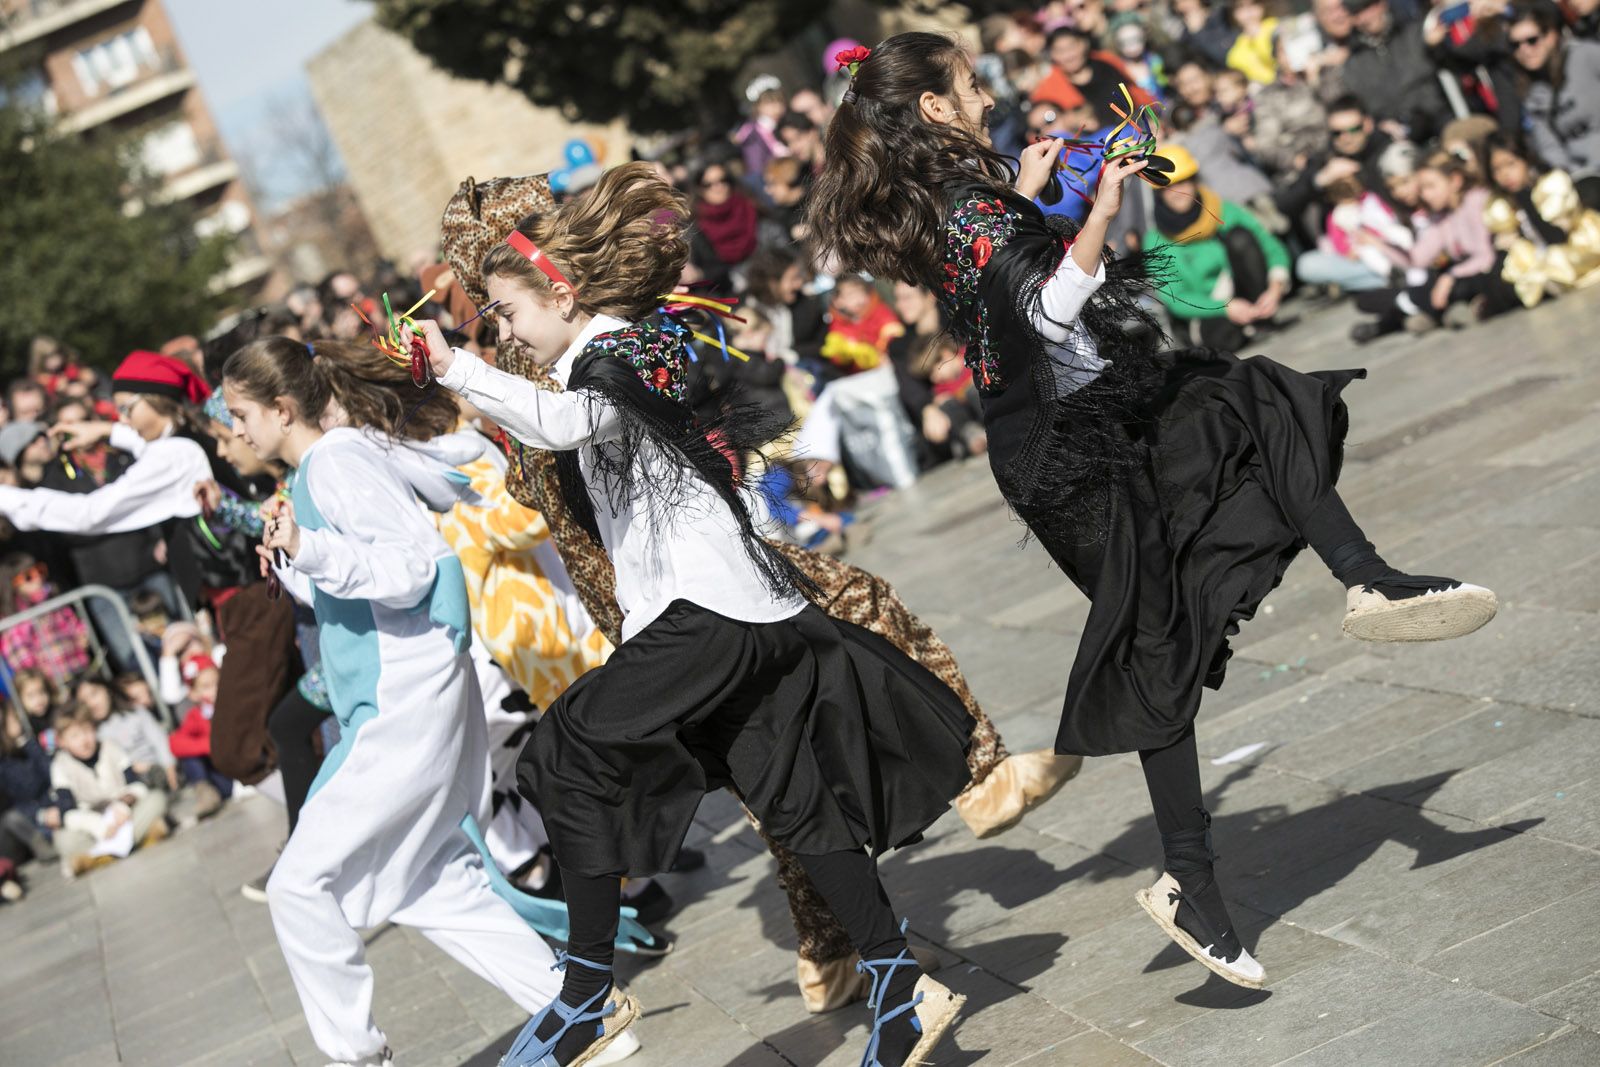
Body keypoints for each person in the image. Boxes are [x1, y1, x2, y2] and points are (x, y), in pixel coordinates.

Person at [808, 30, 1499, 992]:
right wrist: (1098, 204)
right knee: (1156, 643)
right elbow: (1047, 309)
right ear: (934, 108)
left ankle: (1369, 579)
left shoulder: (966, 194)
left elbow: (1014, 282)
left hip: (1094, 413)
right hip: (1065, 456)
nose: (984, 91)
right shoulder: (964, 203)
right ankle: (1189, 879)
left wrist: (1044, 195)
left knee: (1253, 396)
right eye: (970, 84)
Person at [418, 160, 974, 1067]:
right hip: (739, 614)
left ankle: (587, 997)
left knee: (565, 751)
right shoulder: (610, 354)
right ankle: (900, 982)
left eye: (510, 311)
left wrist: (458, 368)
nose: (506, 329)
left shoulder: (618, 350)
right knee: (793, 809)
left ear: (556, 289)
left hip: (710, 614)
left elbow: (569, 426)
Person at [221, 338, 571, 1067]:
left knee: (296, 885)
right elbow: (353, 589)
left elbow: (414, 566)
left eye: (241, 414)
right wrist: (293, 554)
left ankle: (357, 1056)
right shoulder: (330, 464)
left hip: (400, 701)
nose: (235, 432)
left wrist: (310, 549)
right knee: (424, 881)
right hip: (400, 694)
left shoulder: (338, 461)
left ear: (283, 409)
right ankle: (578, 1010)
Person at [1349, 150, 1516, 340]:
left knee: (1463, 283)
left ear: (1454, 180)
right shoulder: (1442, 216)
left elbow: (1485, 257)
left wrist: (1450, 277)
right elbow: (1416, 259)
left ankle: (1428, 313)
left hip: (1490, 269)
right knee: (1421, 290)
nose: (1425, 195)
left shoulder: (1476, 201)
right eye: (1422, 189)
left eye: (1430, 187)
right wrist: (1378, 243)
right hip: (1464, 275)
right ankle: (1442, 311)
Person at [1142, 145, 1292, 349]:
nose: (1178, 192)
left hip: (1244, 290)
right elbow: (1176, 298)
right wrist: (1225, 308)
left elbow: (1271, 247)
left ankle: (1259, 317)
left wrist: (1275, 289)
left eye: (1184, 182)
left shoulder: (1223, 209)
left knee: (1241, 238)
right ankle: (1248, 326)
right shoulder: (1155, 240)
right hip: (1208, 308)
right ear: (1158, 193)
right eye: (1169, 186)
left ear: (1195, 181)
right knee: (1221, 340)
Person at [1481, 131, 1600, 306]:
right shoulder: (1504, 204)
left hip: (1578, 248)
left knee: (1555, 258)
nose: (1505, 174)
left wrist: (1524, 197)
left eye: (1511, 164)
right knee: (1507, 271)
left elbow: (1555, 237)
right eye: (1497, 169)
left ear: (1526, 160)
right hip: (1541, 258)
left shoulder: (1549, 187)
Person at [49, 704, 168, 878]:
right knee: (63, 839)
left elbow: (136, 784)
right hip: (93, 826)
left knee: (156, 799)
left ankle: (99, 858)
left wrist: (123, 806)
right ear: (62, 741)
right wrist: (98, 826)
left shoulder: (110, 747)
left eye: (87, 731)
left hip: (124, 816)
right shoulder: (60, 765)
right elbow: (67, 813)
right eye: (74, 736)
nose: (84, 740)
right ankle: (137, 841)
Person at [1509, 0, 1600, 208]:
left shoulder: (1585, 56)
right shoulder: (1533, 92)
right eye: (1515, 45)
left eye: (1532, 40)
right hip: (1586, 180)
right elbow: (1549, 147)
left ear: (1551, 36)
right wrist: (1576, 176)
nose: (1524, 50)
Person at [1342, 0, 1454, 144]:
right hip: (1397, 136)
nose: (1365, 18)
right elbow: (1367, 111)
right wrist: (1381, 124)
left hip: (1438, 118)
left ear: (1382, 4)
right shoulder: (1353, 64)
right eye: (1356, 14)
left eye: (1368, 7)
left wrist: (1437, 48)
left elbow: (1454, 69)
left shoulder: (1416, 32)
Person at [0, 553, 90, 687]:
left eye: (40, 570)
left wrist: (82, 634)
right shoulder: (15, 621)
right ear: (13, 586)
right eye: (28, 576)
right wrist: (42, 679)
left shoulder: (53, 599)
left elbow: (74, 622)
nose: (38, 578)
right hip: (53, 683)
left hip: (80, 667)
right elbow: (21, 658)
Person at [76, 674, 175, 795]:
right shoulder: (95, 734)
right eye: (84, 701)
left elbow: (159, 741)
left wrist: (169, 767)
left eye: (94, 694)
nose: (92, 703)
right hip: (130, 781)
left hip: (159, 768)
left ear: (107, 690)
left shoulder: (135, 712)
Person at [167, 653, 233, 816]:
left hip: (241, 766)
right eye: (206, 686)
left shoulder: (233, 706)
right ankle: (204, 792)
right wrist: (210, 745)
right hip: (221, 777)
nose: (215, 689)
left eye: (216, 682)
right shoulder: (197, 715)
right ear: (193, 694)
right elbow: (175, 742)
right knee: (189, 758)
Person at [0, 702, 58, 866]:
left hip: (50, 806)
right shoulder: (4, 763)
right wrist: (40, 814)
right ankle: (40, 844)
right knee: (11, 819)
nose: (18, 719)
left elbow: (50, 773)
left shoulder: (29, 745)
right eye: (13, 718)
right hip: (28, 819)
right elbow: (25, 791)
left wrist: (29, 744)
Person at [689, 160, 760, 289]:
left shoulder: (750, 206)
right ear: (700, 189)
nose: (718, 187)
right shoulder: (698, 230)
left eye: (723, 180)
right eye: (708, 184)